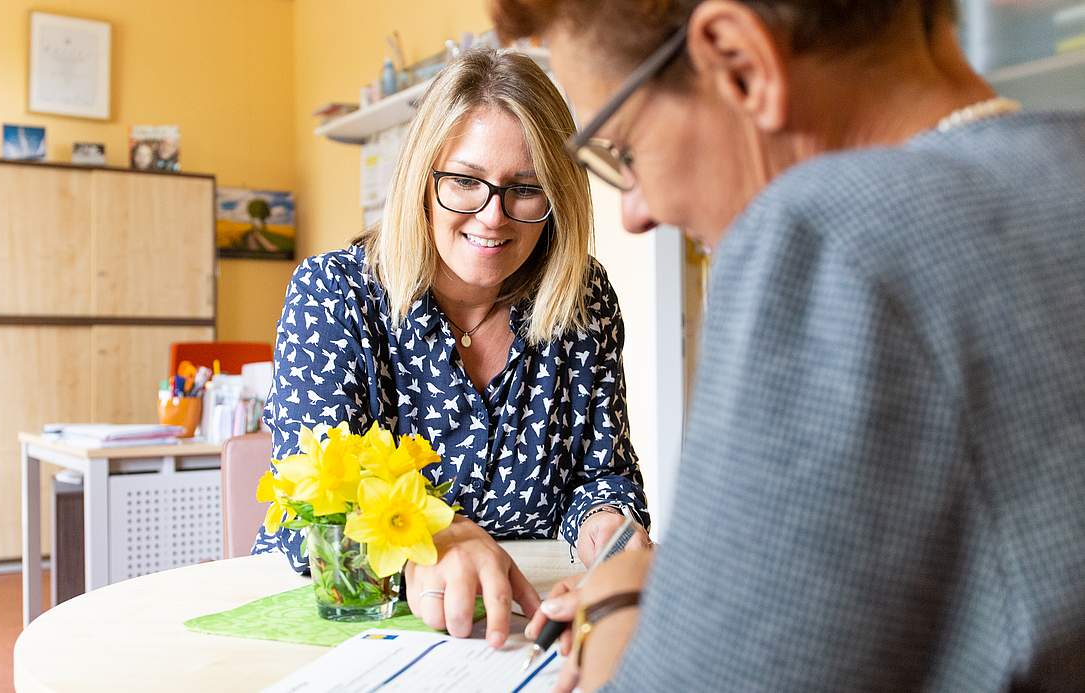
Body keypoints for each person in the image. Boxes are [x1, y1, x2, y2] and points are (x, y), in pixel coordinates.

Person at [491, 0, 1085, 690]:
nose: (634, 209)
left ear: (740, 64)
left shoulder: (826, 242)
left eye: (622, 150)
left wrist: (617, 599)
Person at [252, 48, 651, 649]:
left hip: (522, 625)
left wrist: (608, 529)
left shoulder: (582, 298)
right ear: (423, 177)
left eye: (526, 188)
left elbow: (602, 475)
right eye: (465, 182)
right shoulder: (334, 293)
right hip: (351, 619)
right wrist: (436, 537)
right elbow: (310, 512)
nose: (493, 216)